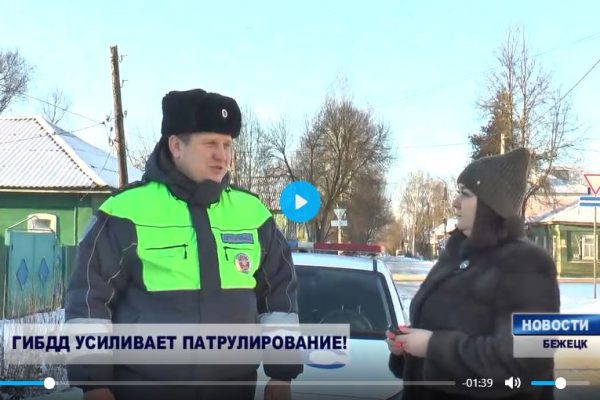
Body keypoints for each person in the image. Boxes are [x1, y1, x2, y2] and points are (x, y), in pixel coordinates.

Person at [65, 88, 303, 400]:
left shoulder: (253, 214)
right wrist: (94, 383)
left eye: (227, 144)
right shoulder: (126, 211)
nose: (222, 155)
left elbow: (279, 296)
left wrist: (281, 373)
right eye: (210, 144)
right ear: (176, 146)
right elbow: (88, 299)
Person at [386, 148, 560, 400]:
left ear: (490, 206)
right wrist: (406, 348)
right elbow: (436, 332)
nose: (455, 202)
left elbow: (526, 359)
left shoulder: (526, 264)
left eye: (465, 194)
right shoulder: (456, 256)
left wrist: (432, 346)